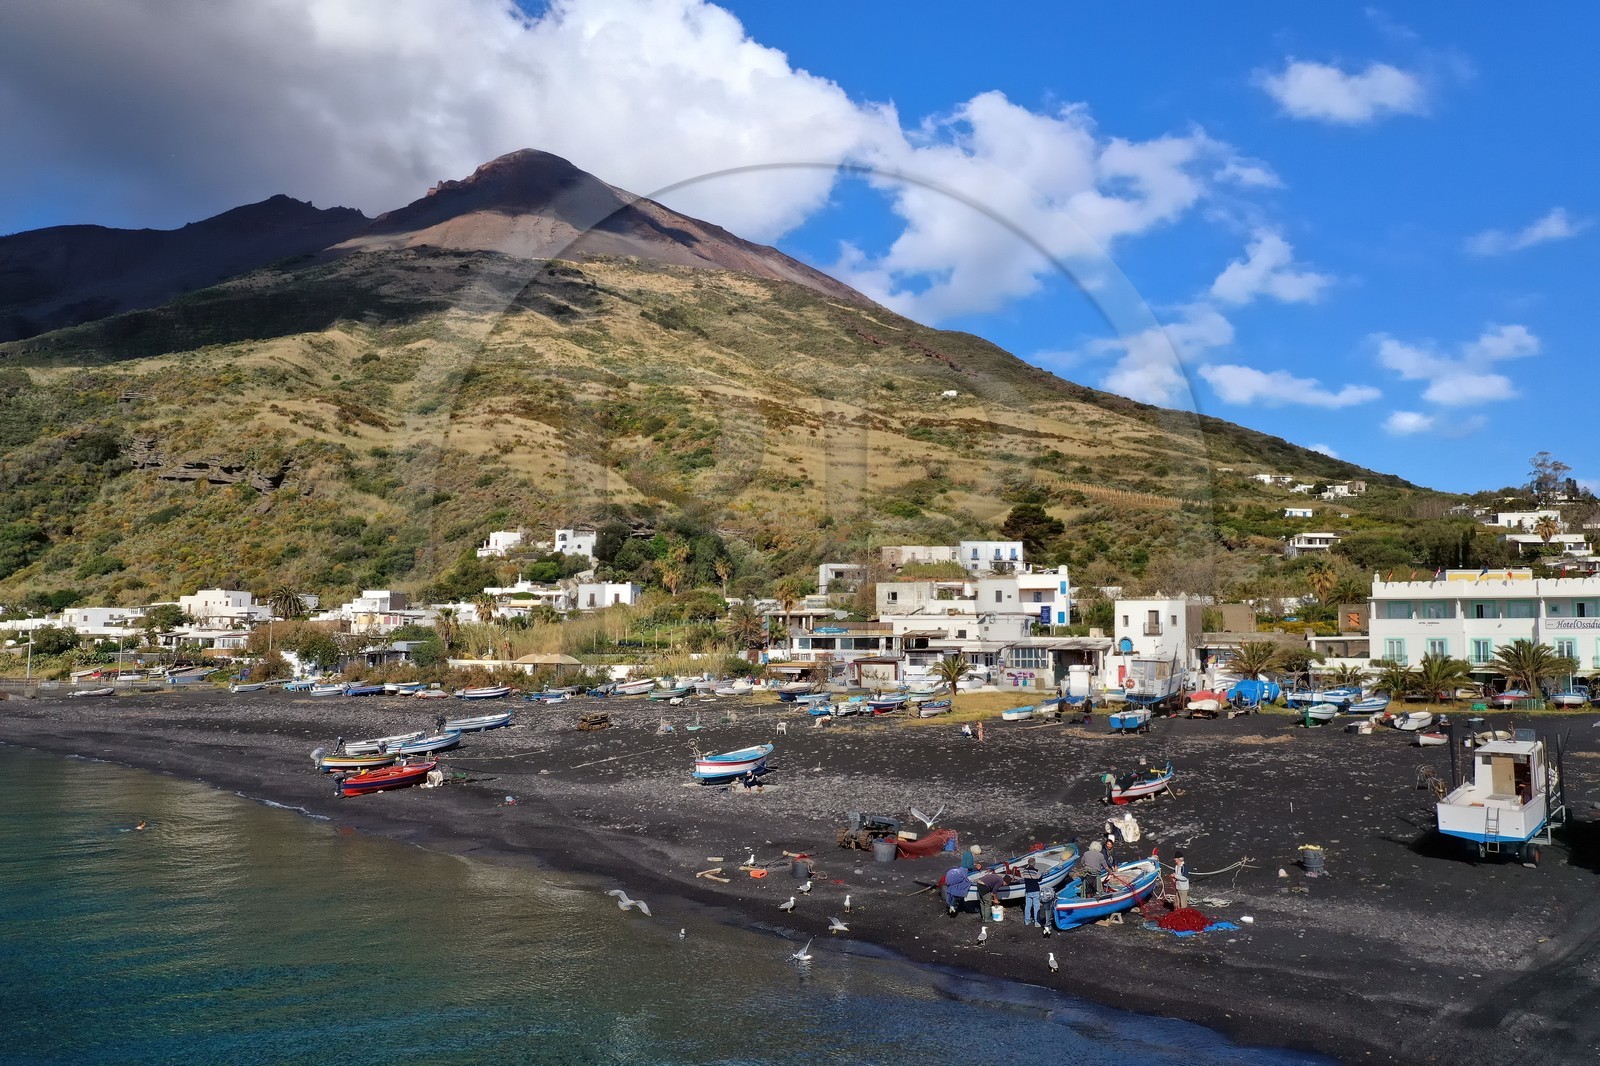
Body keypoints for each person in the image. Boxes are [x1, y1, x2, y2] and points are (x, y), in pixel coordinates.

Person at [1021, 860, 1044, 928]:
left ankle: (1027, 921)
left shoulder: (1024, 871)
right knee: (1036, 906)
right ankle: (1037, 922)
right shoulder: (1036, 871)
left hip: (1028, 890)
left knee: (1027, 906)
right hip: (1035, 890)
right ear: (1034, 863)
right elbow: (1040, 879)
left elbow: (1024, 878)